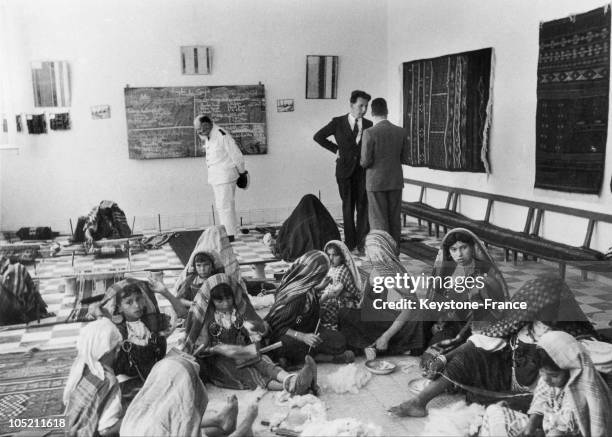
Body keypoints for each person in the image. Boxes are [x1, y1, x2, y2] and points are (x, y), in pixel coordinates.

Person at [389, 276, 598, 418]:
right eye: (545, 308)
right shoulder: (523, 322)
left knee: (508, 408)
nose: (549, 314)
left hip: (540, 395)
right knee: (468, 356)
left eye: (555, 308)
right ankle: (419, 402)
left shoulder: (574, 337)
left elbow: (585, 374)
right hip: (507, 378)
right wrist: (445, 357)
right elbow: (483, 340)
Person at [183, 273, 317, 394]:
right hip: (220, 360)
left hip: (241, 351)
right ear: (211, 301)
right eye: (220, 301)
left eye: (229, 299)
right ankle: (292, 386)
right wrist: (216, 348)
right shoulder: (207, 320)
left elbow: (250, 331)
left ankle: (292, 378)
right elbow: (201, 348)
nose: (226, 304)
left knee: (264, 362)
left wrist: (253, 334)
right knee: (250, 374)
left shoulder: (237, 313)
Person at [480, 331, 612, 437]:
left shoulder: (586, 393)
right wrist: (530, 428)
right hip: (546, 429)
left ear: (570, 370)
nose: (546, 379)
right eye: (542, 373)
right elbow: (540, 401)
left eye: (554, 375)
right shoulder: (548, 380)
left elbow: (586, 430)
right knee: (494, 411)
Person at [120, 350, 260, 437]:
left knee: (172, 415)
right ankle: (241, 429)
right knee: (183, 417)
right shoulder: (161, 429)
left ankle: (219, 420)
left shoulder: (132, 416)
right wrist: (248, 422)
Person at [92, 278, 186, 398]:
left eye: (138, 299)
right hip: (127, 387)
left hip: (155, 379)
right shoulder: (116, 329)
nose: (137, 305)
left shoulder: (152, 322)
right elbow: (102, 331)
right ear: (119, 307)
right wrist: (99, 315)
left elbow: (184, 314)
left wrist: (164, 292)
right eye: (129, 302)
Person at [338, 230, 427, 356]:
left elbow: (407, 310)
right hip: (378, 314)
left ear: (378, 251)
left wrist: (386, 337)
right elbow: (367, 297)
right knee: (345, 313)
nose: (365, 251)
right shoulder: (378, 267)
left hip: (392, 323)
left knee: (345, 316)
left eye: (368, 248)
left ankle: (373, 346)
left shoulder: (391, 273)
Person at [424, 228, 509, 348]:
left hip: (473, 324)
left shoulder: (487, 269)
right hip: (448, 319)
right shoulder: (447, 269)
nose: (459, 254)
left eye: (464, 248)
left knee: (438, 344)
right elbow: (436, 299)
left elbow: (491, 309)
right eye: (454, 249)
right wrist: (438, 321)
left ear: (473, 247)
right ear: (448, 251)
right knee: (417, 320)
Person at [264, 250, 349, 366]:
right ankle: (323, 358)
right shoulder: (297, 298)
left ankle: (294, 359)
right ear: (313, 274)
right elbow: (278, 326)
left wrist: (320, 289)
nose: (323, 277)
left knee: (339, 341)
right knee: (287, 345)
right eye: (321, 275)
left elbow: (303, 312)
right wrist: (303, 336)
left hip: (304, 326)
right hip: (286, 334)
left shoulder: (305, 284)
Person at [313, 90, 372, 254]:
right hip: (344, 172)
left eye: (366, 106)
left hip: (362, 172)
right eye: (361, 106)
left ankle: (362, 243)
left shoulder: (369, 125)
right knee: (348, 207)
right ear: (352, 105)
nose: (364, 110)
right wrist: (335, 149)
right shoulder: (338, 122)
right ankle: (350, 242)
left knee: (363, 207)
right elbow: (318, 136)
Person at [360, 97, 409, 248]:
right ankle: (395, 252)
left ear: (372, 112)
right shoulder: (401, 132)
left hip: (375, 183)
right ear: (387, 111)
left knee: (378, 220)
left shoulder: (369, 132)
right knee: (394, 219)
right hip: (395, 181)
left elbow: (365, 161)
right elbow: (405, 158)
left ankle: (382, 253)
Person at [64, 318, 123, 437]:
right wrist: (128, 420)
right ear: (106, 351)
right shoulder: (108, 381)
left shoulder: (82, 368)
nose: (119, 350)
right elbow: (106, 431)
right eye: (116, 347)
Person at [195, 114, 247, 242]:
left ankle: (229, 235)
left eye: (200, 129)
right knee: (222, 205)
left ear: (207, 125)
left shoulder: (221, 134)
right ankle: (228, 231)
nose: (199, 132)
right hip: (217, 177)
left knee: (225, 206)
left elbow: (236, 155)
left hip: (226, 176)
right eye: (197, 129)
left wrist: (242, 173)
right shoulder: (208, 135)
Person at [173, 225, 241, 309]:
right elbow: (179, 299)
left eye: (206, 265)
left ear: (212, 266)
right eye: (199, 266)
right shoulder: (191, 280)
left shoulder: (218, 278)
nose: (202, 269)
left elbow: (230, 297)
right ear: (195, 266)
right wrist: (192, 304)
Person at [316, 240, 363, 350]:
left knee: (321, 308)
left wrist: (319, 300)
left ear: (342, 257)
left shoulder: (342, 270)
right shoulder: (332, 268)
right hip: (334, 298)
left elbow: (334, 293)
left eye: (335, 255)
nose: (331, 258)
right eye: (329, 254)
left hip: (344, 303)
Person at [0, 255, 54, 325]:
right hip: (21, 307)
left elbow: (17, 292)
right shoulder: (18, 268)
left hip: (19, 308)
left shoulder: (17, 269)